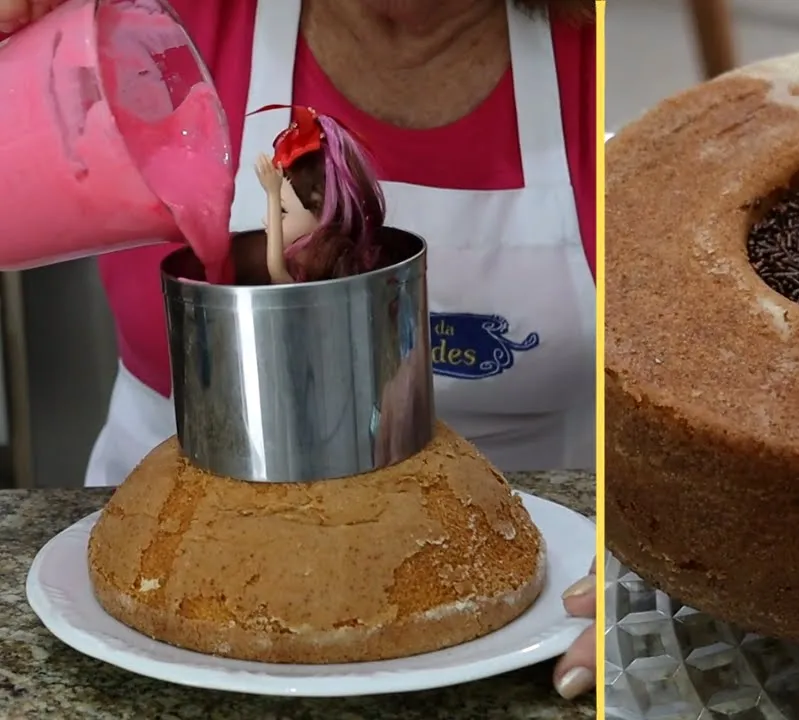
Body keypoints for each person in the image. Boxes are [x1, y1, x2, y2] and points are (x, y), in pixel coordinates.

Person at [0, 0, 598, 700]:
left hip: (510, 550)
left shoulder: (601, 53)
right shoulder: (135, 26)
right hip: (162, 544)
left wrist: (651, 552)